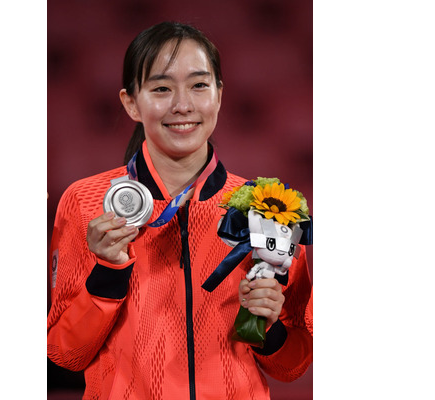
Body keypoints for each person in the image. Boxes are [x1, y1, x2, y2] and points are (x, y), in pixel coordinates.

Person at [47, 21, 313, 399]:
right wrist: (106, 274)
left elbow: (293, 366)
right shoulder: (86, 202)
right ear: (130, 102)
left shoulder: (270, 209)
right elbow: (64, 354)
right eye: (161, 88)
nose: (182, 104)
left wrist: (269, 328)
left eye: (199, 85)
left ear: (219, 95)